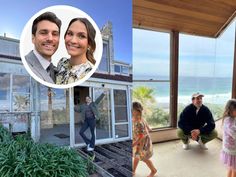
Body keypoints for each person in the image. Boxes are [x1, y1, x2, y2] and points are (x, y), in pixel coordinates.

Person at [56, 18, 96, 84]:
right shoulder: (62, 62)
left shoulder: (89, 72)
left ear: (89, 44)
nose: (73, 40)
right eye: (70, 34)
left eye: (81, 36)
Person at [25, 12, 61, 83]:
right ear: (33, 38)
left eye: (55, 34)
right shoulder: (26, 65)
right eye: (43, 33)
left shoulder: (56, 71)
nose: (50, 39)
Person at [132, 102, 157, 177]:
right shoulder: (138, 119)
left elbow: (141, 136)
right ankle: (133, 171)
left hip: (142, 143)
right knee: (136, 156)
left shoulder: (139, 123)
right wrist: (149, 128)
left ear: (139, 112)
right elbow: (146, 123)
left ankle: (153, 170)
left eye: (137, 114)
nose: (135, 116)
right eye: (133, 114)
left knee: (144, 158)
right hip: (138, 141)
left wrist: (134, 144)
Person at [221, 99, 236, 177]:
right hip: (233, 150)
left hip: (228, 148)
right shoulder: (230, 124)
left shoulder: (227, 119)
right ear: (231, 110)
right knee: (235, 170)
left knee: (231, 168)